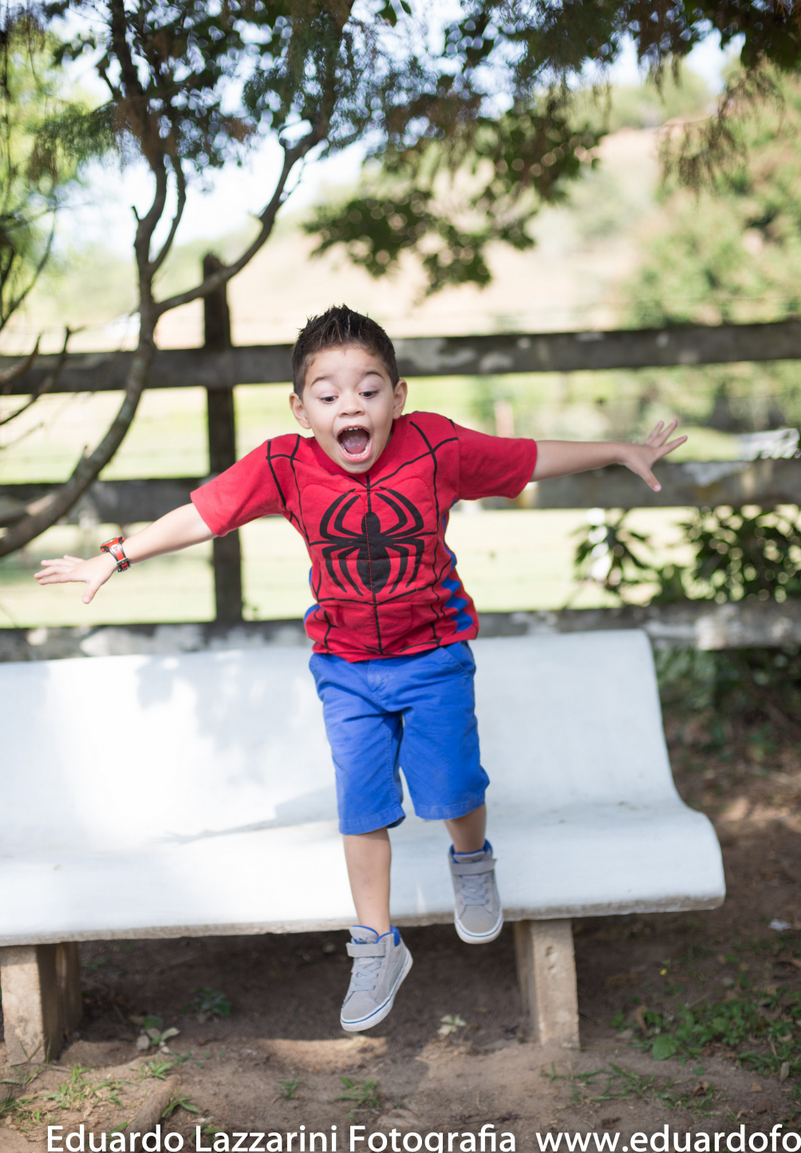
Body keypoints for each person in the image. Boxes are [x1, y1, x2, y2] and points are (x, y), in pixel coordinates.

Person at [35, 304, 686, 1033]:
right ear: (301, 409)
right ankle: (377, 944)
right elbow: (205, 514)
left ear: (397, 397)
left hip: (433, 656)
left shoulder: (435, 446)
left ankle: (471, 859)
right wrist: (115, 556)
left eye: (369, 390)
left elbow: (524, 457)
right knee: (362, 806)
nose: (350, 405)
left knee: (451, 787)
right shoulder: (284, 466)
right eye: (328, 394)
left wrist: (619, 450)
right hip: (345, 667)